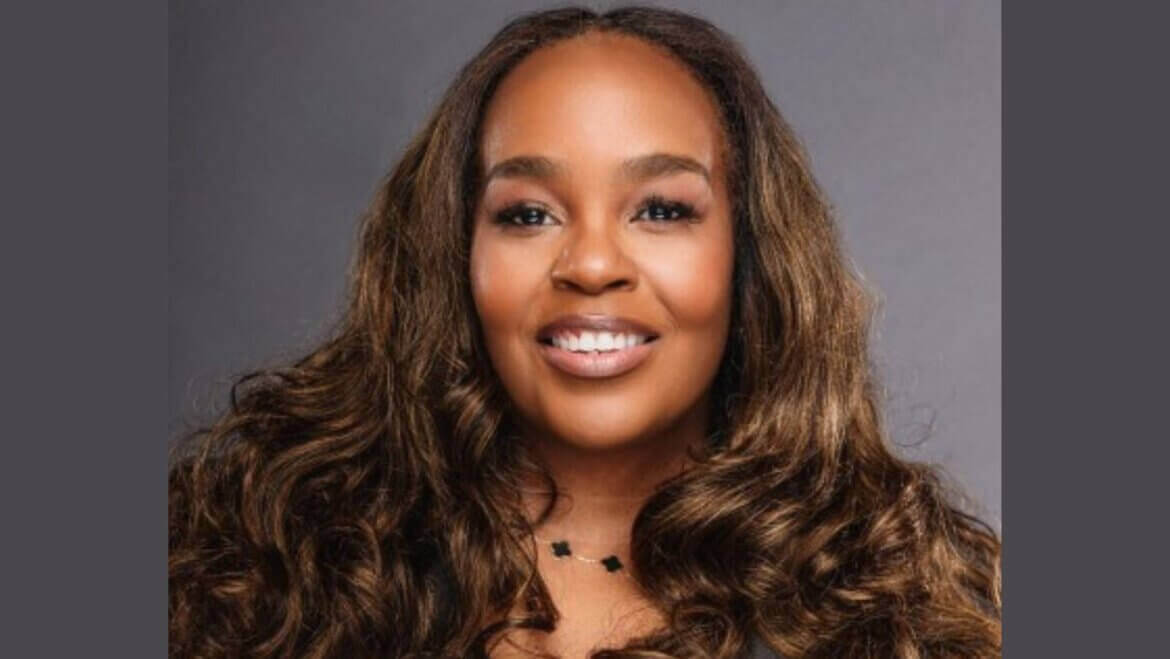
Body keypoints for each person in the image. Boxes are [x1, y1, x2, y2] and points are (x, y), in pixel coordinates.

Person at [169, 5, 1001, 658]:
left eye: (661, 209)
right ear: (456, 256)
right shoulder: (258, 575)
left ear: (747, 254)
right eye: (528, 213)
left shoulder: (898, 614)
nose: (593, 264)